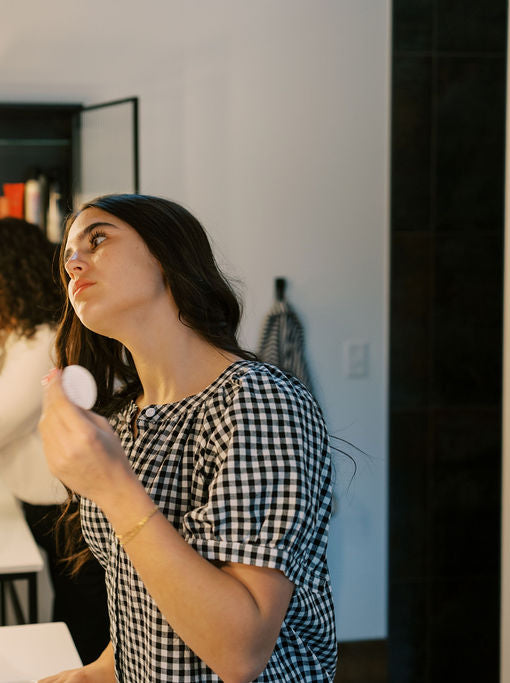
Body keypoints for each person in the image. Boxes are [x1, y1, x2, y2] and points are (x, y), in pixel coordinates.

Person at [37, 195, 336, 682]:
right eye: (68, 256)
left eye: (98, 239)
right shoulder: (126, 420)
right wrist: (98, 672)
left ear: (167, 255)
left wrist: (113, 487)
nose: (73, 264)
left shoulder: (259, 402)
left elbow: (240, 653)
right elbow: (145, 594)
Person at [0, 217, 109, 662]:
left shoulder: (39, 345)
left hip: (72, 516)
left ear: (2, 272)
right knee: (72, 621)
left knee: (83, 630)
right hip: (48, 510)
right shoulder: (10, 339)